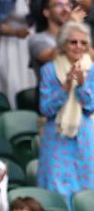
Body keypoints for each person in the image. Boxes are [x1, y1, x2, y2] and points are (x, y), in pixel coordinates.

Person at [38, 21, 94, 200]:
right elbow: (46, 109)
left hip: (84, 135)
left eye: (83, 43)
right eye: (73, 42)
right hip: (56, 135)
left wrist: (82, 85)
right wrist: (65, 87)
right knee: (55, 187)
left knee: (85, 188)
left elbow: (90, 106)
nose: (78, 46)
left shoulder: (92, 70)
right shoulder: (49, 70)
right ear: (63, 44)